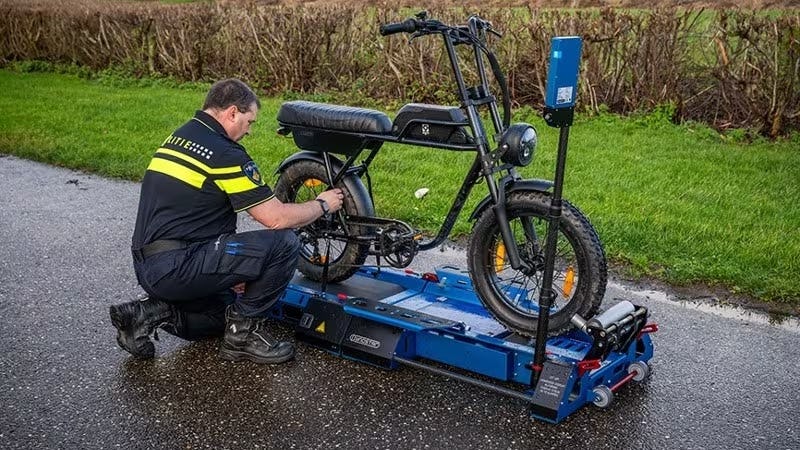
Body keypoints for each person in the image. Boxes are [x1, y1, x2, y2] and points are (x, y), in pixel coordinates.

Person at [109, 78, 343, 364]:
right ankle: (242, 337)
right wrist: (322, 204)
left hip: (150, 266)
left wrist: (231, 272)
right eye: (249, 121)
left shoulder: (181, 136)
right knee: (284, 242)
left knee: (224, 310)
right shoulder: (224, 153)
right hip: (179, 264)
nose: (248, 131)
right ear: (232, 112)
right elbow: (277, 218)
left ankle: (146, 314)